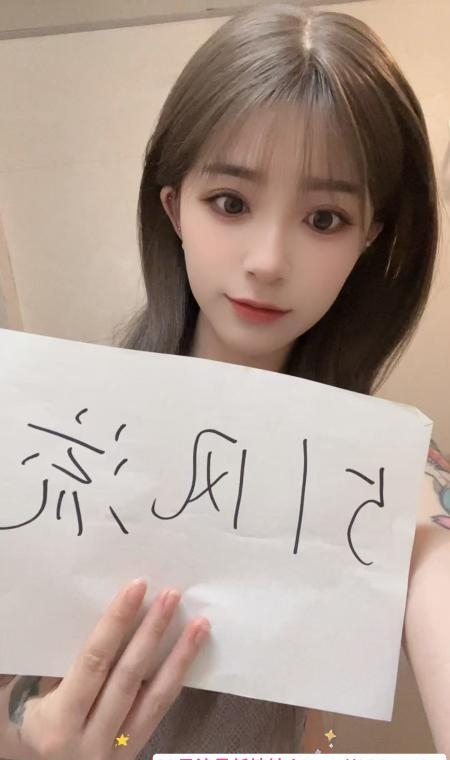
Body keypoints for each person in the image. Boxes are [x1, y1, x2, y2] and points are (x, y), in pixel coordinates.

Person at [0, 1, 447, 757]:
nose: (268, 260)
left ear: (368, 238)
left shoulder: (391, 476)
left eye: (325, 219)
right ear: (175, 208)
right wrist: (32, 737)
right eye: (230, 202)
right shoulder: (56, 428)